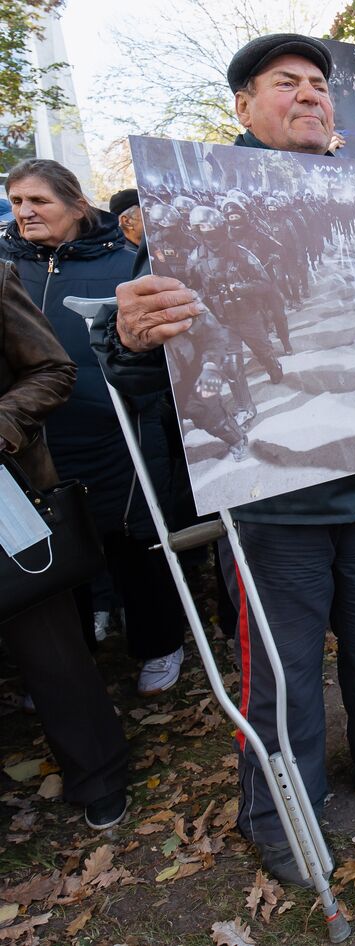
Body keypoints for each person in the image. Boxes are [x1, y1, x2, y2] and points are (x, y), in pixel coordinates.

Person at [95, 33, 355, 886]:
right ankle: (278, 808)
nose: (309, 96)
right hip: (270, 503)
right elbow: (153, 358)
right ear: (244, 106)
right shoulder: (194, 200)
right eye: (286, 83)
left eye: (319, 86)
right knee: (283, 669)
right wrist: (133, 341)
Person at [1, 158, 191, 696]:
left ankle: (158, 642)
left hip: (119, 428)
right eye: (17, 202)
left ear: (78, 205)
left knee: (134, 538)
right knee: (61, 541)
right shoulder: (6, 266)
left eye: (39, 201)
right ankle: (84, 640)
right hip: (37, 438)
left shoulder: (124, 263)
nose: (25, 212)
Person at [0, 259, 131, 830]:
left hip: (6, 493)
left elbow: (54, 370)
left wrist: (1, 424)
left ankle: (98, 773)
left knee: (48, 645)